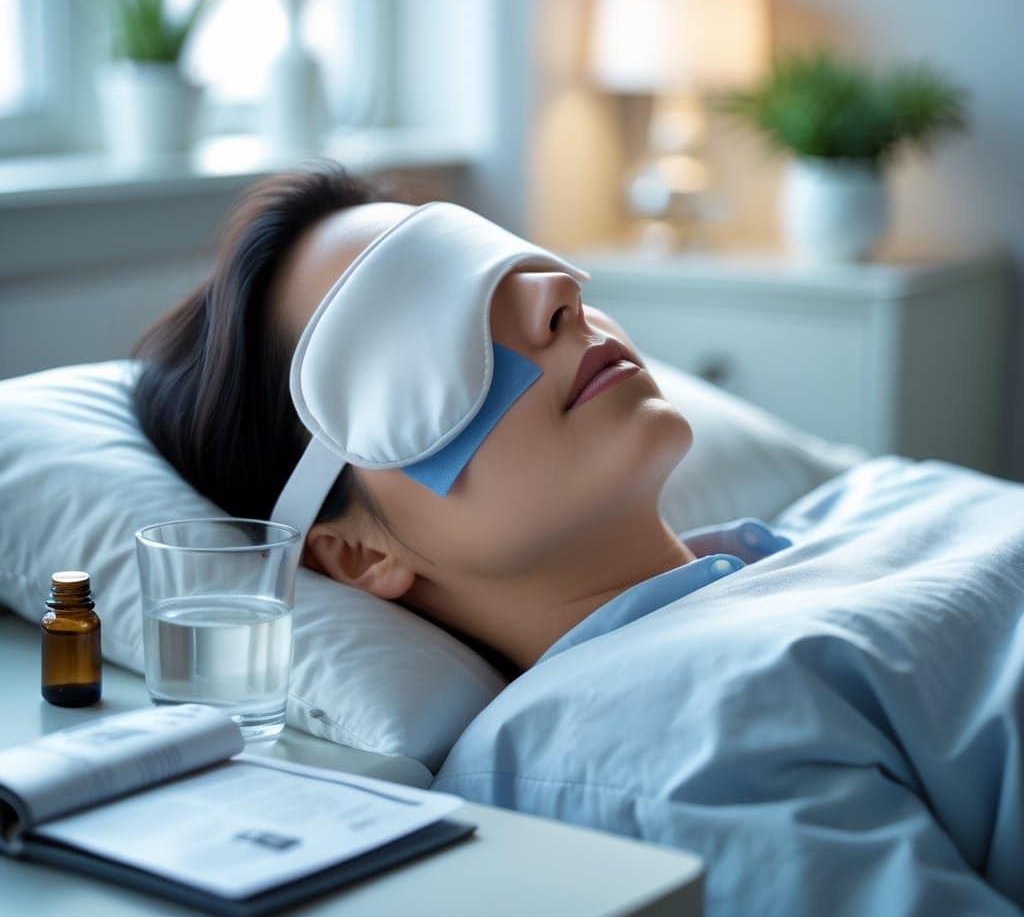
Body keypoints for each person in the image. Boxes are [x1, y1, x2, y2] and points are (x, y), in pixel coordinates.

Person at [132, 162, 783, 678]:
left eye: (498, 263)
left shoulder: (820, 542)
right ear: (359, 553)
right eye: (425, 341)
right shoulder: (680, 753)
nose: (558, 291)